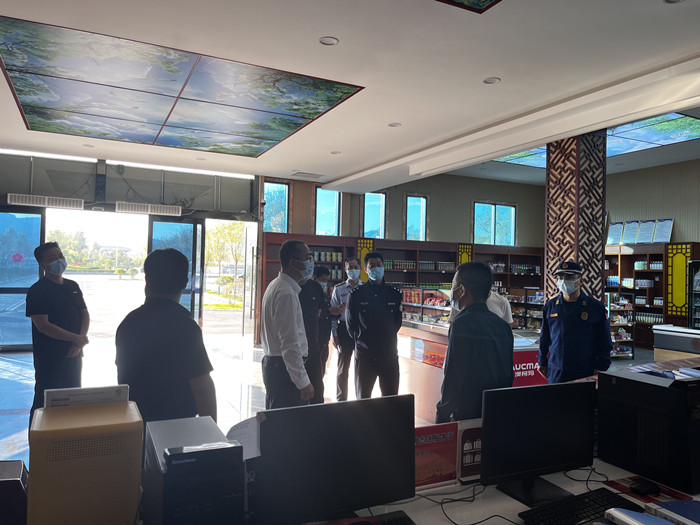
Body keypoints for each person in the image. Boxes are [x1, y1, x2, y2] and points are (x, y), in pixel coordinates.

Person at [116, 248, 217, 423]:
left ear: (147, 280)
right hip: (176, 426)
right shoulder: (186, 327)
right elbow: (201, 387)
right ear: (185, 283)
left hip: (135, 423)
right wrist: (211, 430)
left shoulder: (128, 323)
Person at [435, 262, 514, 423]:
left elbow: (454, 374)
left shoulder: (461, 323)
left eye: (453, 286)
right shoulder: (502, 325)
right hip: (497, 407)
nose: (452, 291)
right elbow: (508, 373)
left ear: (462, 290)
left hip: (468, 411)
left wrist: (442, 414)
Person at [26, 242, 90, 424]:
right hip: (50, 357)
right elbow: (43, 326)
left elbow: (84, 315)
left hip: (75, 353)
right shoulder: (37, 291)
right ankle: (37, 437)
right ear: (42, 264)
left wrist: (78, 343)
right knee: (44, 402)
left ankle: (67, 435)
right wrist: (76, 339)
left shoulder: (72, 286)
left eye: (60, 256)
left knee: (72, 396)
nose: (59, 260)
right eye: (53, 258)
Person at [538, 261, 612, 384]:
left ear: (581, 281)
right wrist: (541, 361)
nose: (564, 281)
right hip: (556, 368)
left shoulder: (595, 307)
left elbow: (604, 340)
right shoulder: (550, 306)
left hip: (584, 368)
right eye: (560, 277)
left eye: (569, 277)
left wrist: (602, 366)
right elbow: (544, 338)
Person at [260, 239, 314, 408]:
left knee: (278, 418)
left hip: (278, 366)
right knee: (287, 421)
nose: (311, 262)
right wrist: (302, 381)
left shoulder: (278, 286)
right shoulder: (285, 293)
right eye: (307, 258)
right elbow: (289, 343)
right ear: (293, 262)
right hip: (284, 370)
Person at [346, 252, 402, 399]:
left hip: (388, 354)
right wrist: (362, 340)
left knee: (390, 399)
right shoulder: (357, 294)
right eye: (372, 265)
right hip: (365, 355)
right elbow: (351, 324)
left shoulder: (395, 294)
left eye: (379, 264)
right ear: (366, 269)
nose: (376, 268)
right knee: (363, 399)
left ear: (384, 267)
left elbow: (397, 322)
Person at [330, 257, 363, 401]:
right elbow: (333, 314)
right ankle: (341, 399)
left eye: (355, 267)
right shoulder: (339, 289)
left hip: (361, 330)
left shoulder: (365, 288)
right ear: (345, 270)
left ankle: (361, 398)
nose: (353, 270)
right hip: (343, 330)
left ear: (360, 269)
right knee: (343, 368)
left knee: (362, 367)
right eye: (350, 268)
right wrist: (334, 335)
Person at [299, 268, 325, 404]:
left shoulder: (315, 287)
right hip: (293, 348)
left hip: (313, 347)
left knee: (317, 393)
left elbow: (319, 311)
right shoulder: (287, 288)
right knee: (296, 397)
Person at [312, 265, 333, 377]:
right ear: (314, 278)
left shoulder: (324, 295)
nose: (325, 283)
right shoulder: (309, 294)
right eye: (323, 280)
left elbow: (328, 314)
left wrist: (336, 312)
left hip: (325, 340)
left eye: (327, 280)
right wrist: (329, 311)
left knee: (321, 370)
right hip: (315, 340)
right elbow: (313, 314)